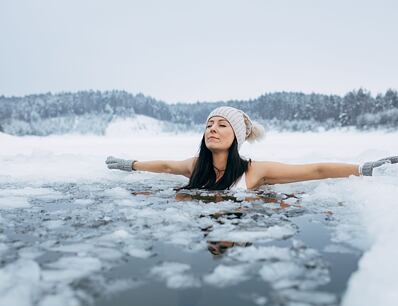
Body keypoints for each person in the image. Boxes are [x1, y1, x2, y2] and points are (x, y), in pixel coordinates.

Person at [105, 106, 398, 190]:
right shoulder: (196, 166)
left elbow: (314, 169)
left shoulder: (254, 171)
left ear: (237, 137)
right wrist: (130, 164)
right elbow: (166, 166)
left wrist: (363, 168)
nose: (212, 129)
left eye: (222, 125)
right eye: (209, 124)